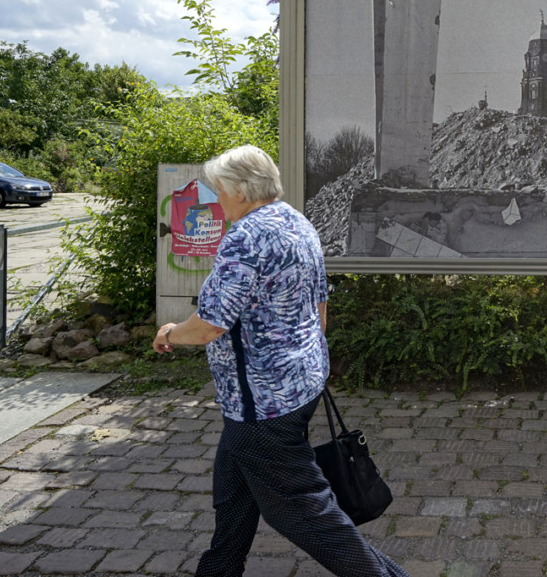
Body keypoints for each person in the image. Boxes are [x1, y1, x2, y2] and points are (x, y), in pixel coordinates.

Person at [153, 145, 408, 577]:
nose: (215, 200)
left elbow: (211, 324)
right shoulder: (296, 221)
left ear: (239, 190)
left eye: (218, 191)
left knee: (303, 514)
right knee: (233, 494)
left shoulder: (246, 237)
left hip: (263, 406)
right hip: (297, 386)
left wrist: (170, 334)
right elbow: (320, 304)